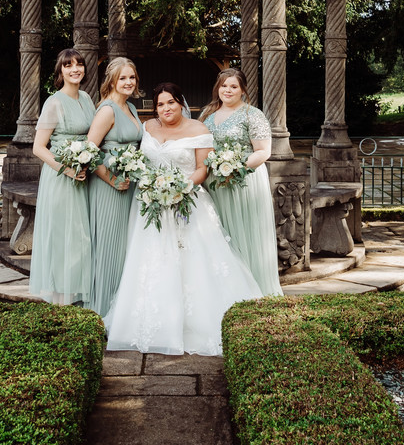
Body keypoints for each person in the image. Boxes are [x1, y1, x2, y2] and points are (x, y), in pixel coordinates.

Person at [104, 82, 263, 355]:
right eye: (160, 104)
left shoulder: (199, 130)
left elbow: (203, 168)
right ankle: (153, 321)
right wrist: (153, 185)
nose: (165, 109)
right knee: (151, 262)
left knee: (194, 261)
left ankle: (198, 323)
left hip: (188, 202)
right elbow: (143, 163)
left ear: (181, 103)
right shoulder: (148, 128)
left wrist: (180, 187)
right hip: (150, 204)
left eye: (170, 102)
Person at [199, 68, 283, 296]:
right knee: (220, 233)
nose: (228, 90)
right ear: (218, 87)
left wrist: (236, 168)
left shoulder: (252, 115)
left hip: (243, 183)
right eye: (224, 85)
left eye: (233, 86)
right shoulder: (208, 113)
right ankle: (226, 292)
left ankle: (254, 290)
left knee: (245, 234)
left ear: (243, 90)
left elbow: (263, 152)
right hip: (215, 184)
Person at [29, 48, 96, 306]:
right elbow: (38, 148)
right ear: (61, 71)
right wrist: (67, 169)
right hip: (61, 177)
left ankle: (78, 295)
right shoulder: (54, 102)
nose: (75, 69)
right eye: (68, 66)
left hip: (83, 175)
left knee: (81, 236)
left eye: (79, 64)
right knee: (64, 236)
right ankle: (61, 302)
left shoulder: (87, 98)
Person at [85, 56, 143, 317]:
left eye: (132, 77)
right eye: (123, 78)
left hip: (129, 186)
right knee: (109, 247)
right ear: (111, 80)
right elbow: (88, 153)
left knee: (126, 247)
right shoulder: (107, 110)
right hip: (109, 188)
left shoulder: (131, 108)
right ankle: (102, 311)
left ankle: (123, 309)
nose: (128, 82)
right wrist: (112, 179)